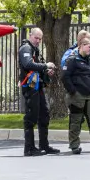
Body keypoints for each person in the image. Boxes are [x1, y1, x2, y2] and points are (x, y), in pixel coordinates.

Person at [18, 28, 61, 156]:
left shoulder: (35, 50)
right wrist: (46, 65)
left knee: (44, 114)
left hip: (37, 85)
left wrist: (46, 71)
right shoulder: (26, 48)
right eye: (36, 38)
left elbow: (36, 66)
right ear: (30, 36)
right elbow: (28, 64)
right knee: (31, 116)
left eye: (40, 38)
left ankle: (44, 145)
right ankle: (29, 148)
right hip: (30, 86)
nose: (38, 40)